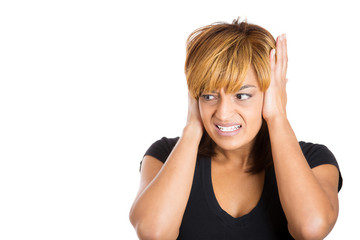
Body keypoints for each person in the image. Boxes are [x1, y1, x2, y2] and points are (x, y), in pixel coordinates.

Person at [129, 18, 343, 240]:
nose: (223, 113)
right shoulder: (165, 154)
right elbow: (153, 232)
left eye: (242, 95)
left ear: (271, 93)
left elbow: (310, 229)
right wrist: (192, 127)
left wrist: (278, 116)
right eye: (209, 95)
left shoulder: (314, 159)